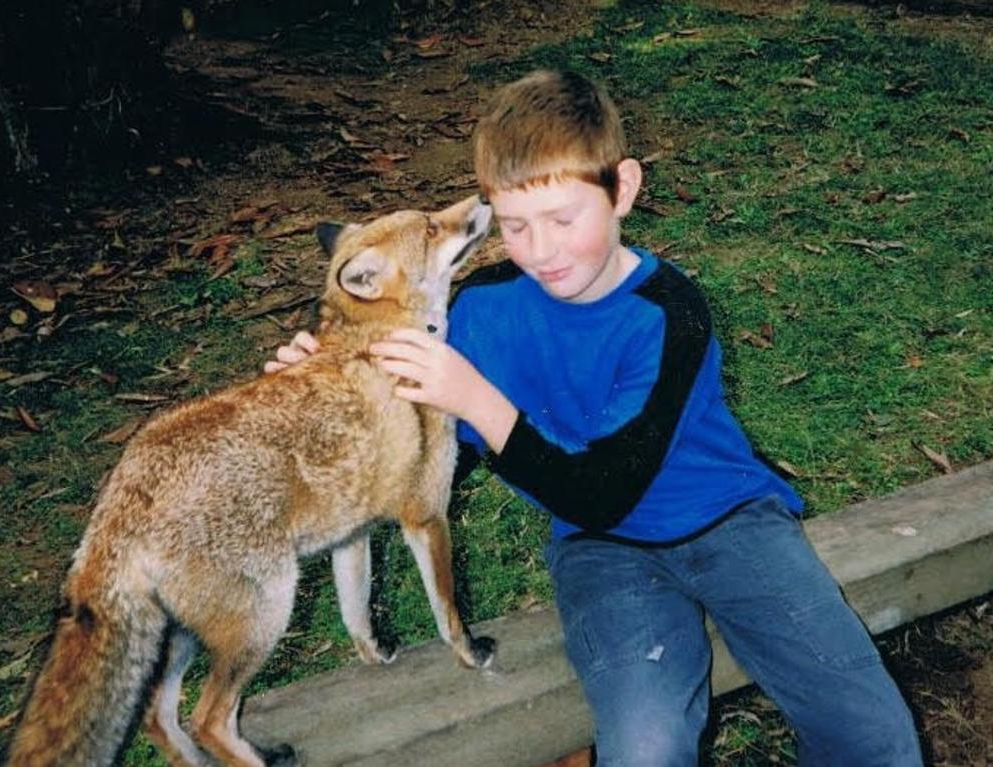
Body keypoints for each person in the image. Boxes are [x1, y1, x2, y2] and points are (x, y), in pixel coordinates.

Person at [267, 69, 922, 766]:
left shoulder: (670, 312)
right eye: (515, 226)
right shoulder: (476, 313)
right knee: (644, 746)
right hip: (601, 550)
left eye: (563, 220)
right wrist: (330, 386)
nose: (541, 250)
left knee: (873, 733)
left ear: (624, 191)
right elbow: (403, 447)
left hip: (732, 521)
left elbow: (605, 486)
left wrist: (477, 399)